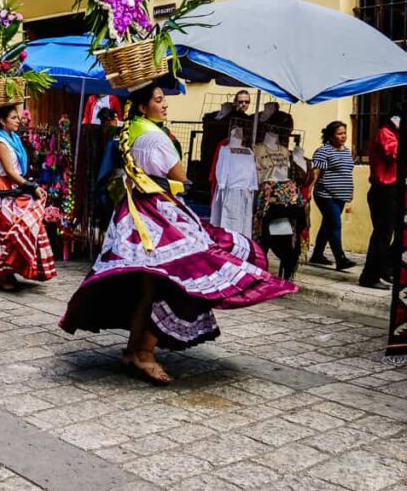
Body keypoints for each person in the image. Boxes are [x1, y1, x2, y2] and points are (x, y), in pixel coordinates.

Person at [60, 84, 296, 385]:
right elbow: (180, 175)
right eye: (159, 100)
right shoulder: (155, 137)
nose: (165, 105)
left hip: (134, 215)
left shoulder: (131, 129)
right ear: (144, 107)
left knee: (148, 285)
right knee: (174, 282)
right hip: (157, 214)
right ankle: (144, 353)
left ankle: (135, 349)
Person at [0, 105, 57, 290]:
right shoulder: (0, 142)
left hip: (15, 186)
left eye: (18, 117)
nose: (18, 120)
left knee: (23, 226)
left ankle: (14, 269)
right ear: (2, 121)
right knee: (5, 229)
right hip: (3, 188)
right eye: (13, 117)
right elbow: (9, 171)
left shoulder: (13, 139)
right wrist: (32, 186)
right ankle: (4, 273)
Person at [360, 111, 401, 289]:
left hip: (394, 189)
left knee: (395, 234)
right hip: (384, 190)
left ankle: (385, 268)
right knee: (382, 235)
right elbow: (394, 154)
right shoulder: (386, 133)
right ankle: (370, 276)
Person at [309, 121, 356, 271]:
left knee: (328, 224)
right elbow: (316, 173)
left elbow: (347, 173)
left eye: (344, 133)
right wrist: (308, 191)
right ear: (330, 136)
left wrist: (350, 190)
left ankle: (317, 254)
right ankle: (340, 258)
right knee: (335, 223)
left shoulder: (347, 151)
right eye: (339, 134)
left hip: (340, 195)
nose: (343, 136)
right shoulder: (324, 151)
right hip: (325, 194)